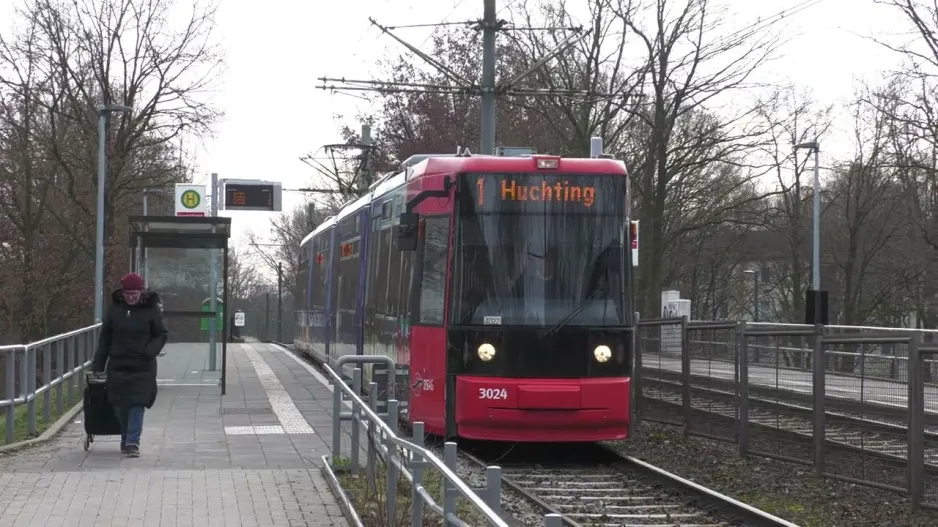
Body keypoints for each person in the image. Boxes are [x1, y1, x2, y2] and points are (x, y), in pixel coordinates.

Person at [91, 272, 168, 457]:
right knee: (119, 405)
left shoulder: (151, 310)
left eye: (134, 294)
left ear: (141, 292)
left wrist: (150, 350)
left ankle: (132, 442)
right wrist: (98, 364)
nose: (131, 297)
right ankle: (125, 437)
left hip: (143, 365)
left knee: (137, 404)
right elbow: (105, 338)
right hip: (118, 364)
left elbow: (161, 334)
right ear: (122, 293)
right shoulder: (115, 310)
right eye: (128, 294)